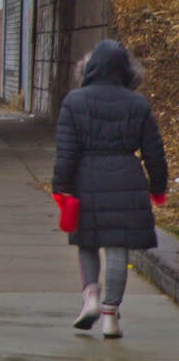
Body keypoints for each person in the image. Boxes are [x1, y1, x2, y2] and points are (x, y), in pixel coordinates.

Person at [52, 39, 168, 339]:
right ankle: (110, 316)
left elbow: (66, 151)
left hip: (85, 178)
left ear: (89, 68)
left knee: (87, 241)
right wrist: (158, 187)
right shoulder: (137, 104)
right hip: (127, 178)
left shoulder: (74, 102)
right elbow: (154, 151)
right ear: (126, 70)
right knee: (117, 247)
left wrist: (61, 187)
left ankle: (90, 294)